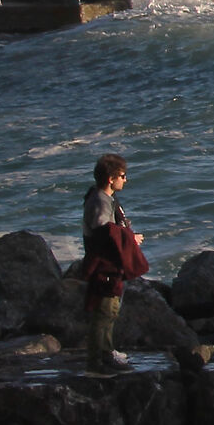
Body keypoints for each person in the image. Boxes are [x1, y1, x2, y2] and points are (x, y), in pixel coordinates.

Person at [81, 154, 137, 373]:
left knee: (111, 310)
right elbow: (105, 233)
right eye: (122, 176)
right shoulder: (100, 201)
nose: (125, 180)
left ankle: (107, 351)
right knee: (104, 312)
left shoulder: (104, 199)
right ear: (111, 178)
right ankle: (96, 361)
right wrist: (130, 239)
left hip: (110, 264)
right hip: (104, 266)